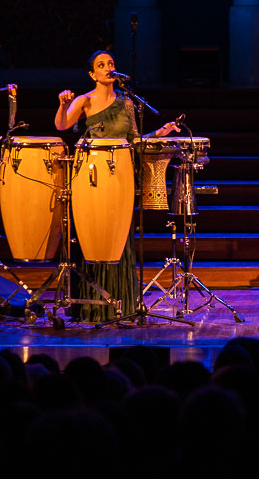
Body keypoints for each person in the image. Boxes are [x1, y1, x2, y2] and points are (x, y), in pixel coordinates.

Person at [54, 50, 180, 321]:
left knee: (118, 233)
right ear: (92, 74)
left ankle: (119, 304)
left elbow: (134, 140)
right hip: (91, 177)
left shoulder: (126, 103)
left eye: (111, 63)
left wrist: (159, 133)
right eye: (101, 65)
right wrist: (64, 105)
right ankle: (90, 307)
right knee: (93, 230)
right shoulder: (84, 100)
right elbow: (62, 125)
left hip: (120, 175)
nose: (108, 68)